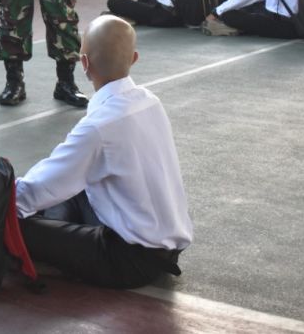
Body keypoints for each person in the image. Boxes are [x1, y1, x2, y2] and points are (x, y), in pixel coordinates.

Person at [16, 15, 193, 289]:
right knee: (66, 187)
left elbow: (38, 189)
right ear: (134, 58)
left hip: (128, 260)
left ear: (84, 63)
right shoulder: (150, 101)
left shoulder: (98, 127)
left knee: (18, 226)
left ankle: (51, 244)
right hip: (163, 244)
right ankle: (59, 237)